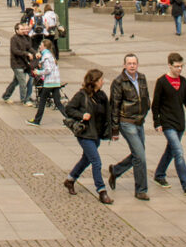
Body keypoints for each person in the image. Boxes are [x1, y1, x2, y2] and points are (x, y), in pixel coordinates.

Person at [151, 52, 186, 196]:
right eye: (177, 67)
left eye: (181, 66)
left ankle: (159, 174)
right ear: (169, 65)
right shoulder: (161, 82)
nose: (179, 69)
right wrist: (157, 122)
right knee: (178, 152)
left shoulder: (183, 81)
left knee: (170, 151)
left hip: (180, 122)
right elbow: (155, 104)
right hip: (168, 123)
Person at [61, 68, 114, 203]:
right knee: (96, 161)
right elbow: (69, 109)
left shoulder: (102, 96)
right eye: (101, 79)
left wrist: (112, 131)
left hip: (97, 134)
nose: (103, 82)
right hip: (85, 134)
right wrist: (81, 115)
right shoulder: (82, 95)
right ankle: (101, 190)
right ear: (94, 81)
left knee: (86, 159)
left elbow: (107, 114)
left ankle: (70, 179)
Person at [105, 53, 150, 200]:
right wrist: (115, 129)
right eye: (129, 63)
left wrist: (145, 111)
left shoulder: (142, 78)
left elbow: (145, 97)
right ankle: (141, 190)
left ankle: (116, 170)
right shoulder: (119, 82)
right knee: (141, 156)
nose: (132, 66)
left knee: (138, 154)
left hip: (139, 121)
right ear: (124, 65)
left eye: (134, 63)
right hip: (126, 122)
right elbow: (114, 106)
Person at [26, 39, 64, 125]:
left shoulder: (46, 56)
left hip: (49, 83)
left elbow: (48, 70)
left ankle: (37, 120)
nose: (39, 46)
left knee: (42, 101)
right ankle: (69, 119)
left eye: (41, 45)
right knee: (57, 102)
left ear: (45, 47)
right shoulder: (50, 54)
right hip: (56, 82)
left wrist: (38, 72)